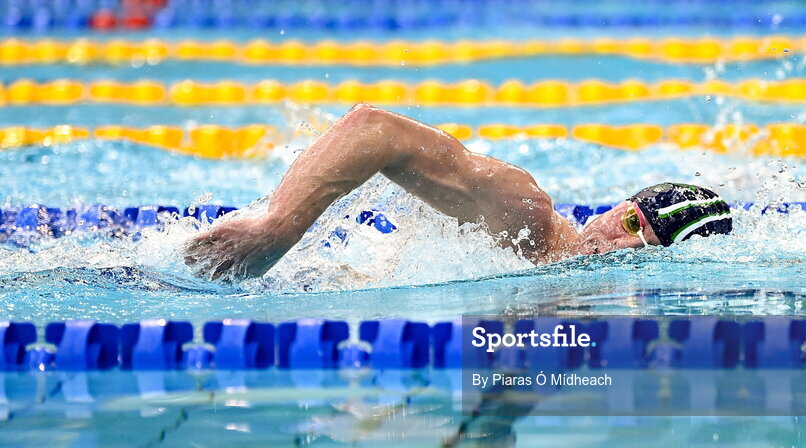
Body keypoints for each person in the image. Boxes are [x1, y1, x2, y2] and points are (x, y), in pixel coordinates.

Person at [183, 104, 732, 280]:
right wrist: (277, 225)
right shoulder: (527, 217)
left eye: (648, 252)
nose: (624, 244)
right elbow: (375, 128)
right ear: (619, 207)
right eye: (633, 223)